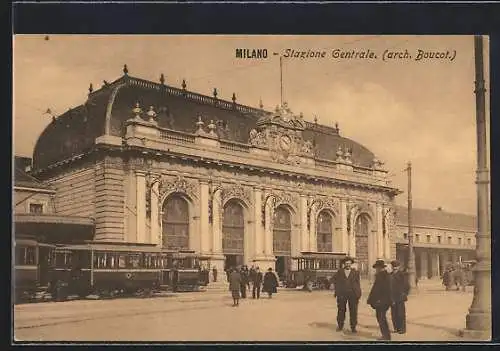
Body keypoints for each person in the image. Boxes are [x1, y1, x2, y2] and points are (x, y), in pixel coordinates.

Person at [332, 256, 361, 333]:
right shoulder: (340, 272)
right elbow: (334, 280)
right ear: (344, 264)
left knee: (353, 311)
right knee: (341, 310)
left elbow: (358, 284)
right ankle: (340, 326)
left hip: (353, 294)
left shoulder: (356, 272)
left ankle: (353, 327)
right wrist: (337, 289)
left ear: (351, 264)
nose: (348, 264)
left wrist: (358, 293)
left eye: (349, 263)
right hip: (342, 294)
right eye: (346, 263)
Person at [367, 259, 393, 341]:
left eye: (377, 268)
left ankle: (386, 336)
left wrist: (379, 300)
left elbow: (385, 290)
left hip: (382, 301)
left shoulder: (384, 276)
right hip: (381, 301)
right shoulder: (381, 275)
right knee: (380, 318)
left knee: (381, 318)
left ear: (380, 268)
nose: (376, 269)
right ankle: (385, 335)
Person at [390, 260, 410, 334]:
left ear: (399, 267)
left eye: (396, 266)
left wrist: (404, 294)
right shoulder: (390, 275)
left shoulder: (402, 275)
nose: (395, 268)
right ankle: (396, 328)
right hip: (392, 297)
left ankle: (402, 329)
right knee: (393, 313)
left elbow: (407, 286)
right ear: (392, 267)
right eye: (393, 266)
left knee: (400, 313)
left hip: (400, 297)